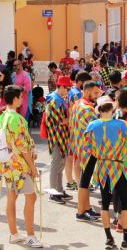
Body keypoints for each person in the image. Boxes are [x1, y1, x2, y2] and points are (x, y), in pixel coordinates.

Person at [85, 101, 127, 250]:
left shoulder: (91, 126)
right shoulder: (121, 124)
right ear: (112, 110)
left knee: (105, 204)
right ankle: (126, 239)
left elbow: (88, 148)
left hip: (102, 167)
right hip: (117, 166)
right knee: (125, 203)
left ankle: (109, 240)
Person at [0, 85, 43, 248]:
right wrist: (33, 167)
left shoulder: (3, 117)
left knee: (12, 198)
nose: (22, 99)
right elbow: (22, 146)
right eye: (20, 97)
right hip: (21, 166)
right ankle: (30, 235)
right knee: (31, 197)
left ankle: (14, 233)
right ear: (15, 99)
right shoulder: (17, 119)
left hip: (8, 164)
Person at [71, 81, 102, 222]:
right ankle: (80, 211)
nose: (97, 95)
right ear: (87, 91)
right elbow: (98, 128)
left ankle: (87, 208)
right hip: (88, 149)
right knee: (85, 181)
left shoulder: (77, 104)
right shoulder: (88, 109)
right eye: (95, 93)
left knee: (85, 180)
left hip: (79, 147)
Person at [45, 76, 73, 204]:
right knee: (56, 165)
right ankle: (53, 193)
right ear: (61, 86)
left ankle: (60, 190)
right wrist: (72, 118)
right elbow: (60, 121)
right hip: (57, 137)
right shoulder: (55, 101)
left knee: (60, 165)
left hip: (63, 137)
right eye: (67, 87)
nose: (69, 90)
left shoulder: (60, 99)